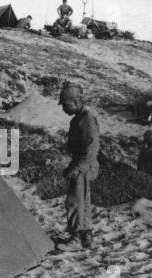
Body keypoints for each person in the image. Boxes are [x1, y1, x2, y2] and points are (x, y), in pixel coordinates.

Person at [56, 82, 100, 252]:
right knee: (84, 201)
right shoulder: (79, 118)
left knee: (74, 201)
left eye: (65, 105)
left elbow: (91, 148)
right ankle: (87, 237)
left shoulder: (87, 118)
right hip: (83, 163)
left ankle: (75, 238)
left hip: (83, 165)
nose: (63, 109)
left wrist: (77, 167)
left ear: (75, 102)